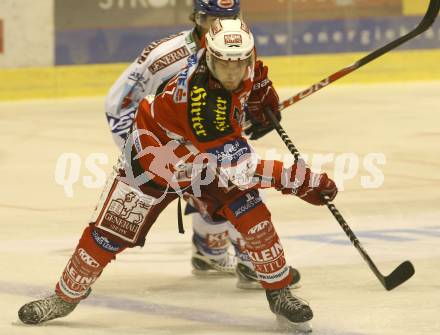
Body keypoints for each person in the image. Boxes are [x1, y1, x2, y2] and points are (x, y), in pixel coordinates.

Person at [18, 18, 337, 331]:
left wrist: (261, 96)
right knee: (108, 234)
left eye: (239, 63)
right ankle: (65, 296)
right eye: (224, 64)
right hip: (154, 161)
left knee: (253, 215)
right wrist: (301, 180)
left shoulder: (239, 64)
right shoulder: (202, 104)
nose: (232, 72)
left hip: (205, 159)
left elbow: (252, 77)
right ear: (208, 58)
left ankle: (279, 293)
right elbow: (241, 171)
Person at [105, 0, 299, 289]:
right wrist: (142, 152)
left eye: (232, 16)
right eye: (211, 19)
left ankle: (210, 252)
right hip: (164, 144)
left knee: (221, 183)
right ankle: (252, 264)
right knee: (237, 186)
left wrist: (256, 114)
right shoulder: (165, 56)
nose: (220, 26)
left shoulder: (236, 43)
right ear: (196, 18)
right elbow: (119, 105)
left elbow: (236, 96)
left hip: (204, 139)